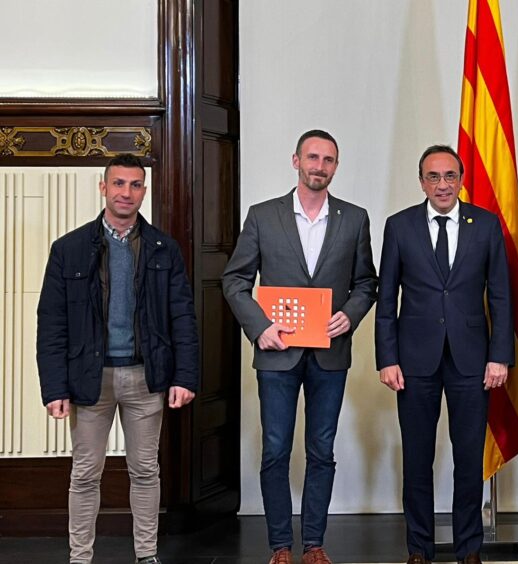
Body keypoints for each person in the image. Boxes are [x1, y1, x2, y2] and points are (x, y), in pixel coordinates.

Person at [222, 130, 378, 564]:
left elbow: (367, 282)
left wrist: (351, 313)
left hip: (330, 351)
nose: (319, 166)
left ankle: (313, 544)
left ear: (336, 166)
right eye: (312, 157)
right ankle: (279, 546)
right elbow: (235, 281)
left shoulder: (354, 218)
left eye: (328, 159)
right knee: (274, 449)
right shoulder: (262, 215)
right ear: (296, 161)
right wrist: (258, 327)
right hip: (277, 351)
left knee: (320, 449)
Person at [36, 154, 199, 564]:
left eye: (136, 185)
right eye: (119, 184)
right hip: (90, 379)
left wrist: (186, 376)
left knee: (145, 471)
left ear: (144, 191)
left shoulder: (165, 249)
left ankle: (147, 555)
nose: (127, 192)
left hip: (146, 377)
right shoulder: (68, 249)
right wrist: (54, 387)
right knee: (85, 473)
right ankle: (80, 557)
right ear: (103, 188)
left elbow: (183, 317)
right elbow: (51, 324)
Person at [375, 144, 513, 564]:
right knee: (417, 460)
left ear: (461, 179)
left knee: (469, 460)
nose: (442, 184)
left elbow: (502, 297)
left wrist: (500, 355)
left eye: (449, 175)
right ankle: (419, 548)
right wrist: (387, 358)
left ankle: (469, 548)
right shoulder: (399, 226)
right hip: (414, 361)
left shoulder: (486, 225)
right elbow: (386, 299)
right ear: (421, 182)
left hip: (473, 360)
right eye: (432, 177)